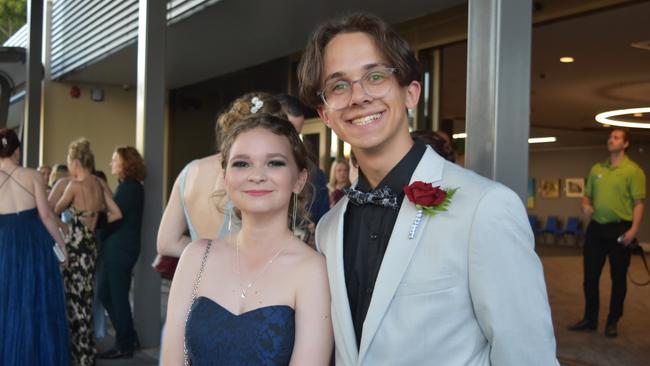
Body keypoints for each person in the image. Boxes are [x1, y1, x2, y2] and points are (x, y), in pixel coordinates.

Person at [298, 13, 558, 365]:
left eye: (375, 76)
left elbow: (529, 356)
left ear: (411, 93)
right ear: (325, 113)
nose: (358, 96)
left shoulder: (485, 207)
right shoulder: (330, 227)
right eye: (338, 86)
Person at [162, 114, 333, 365]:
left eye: (274, 163)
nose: (256, 175)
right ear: (225, 177)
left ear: (299, 179)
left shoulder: (312, 269)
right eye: (242, 164)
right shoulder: (197, 256)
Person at [157, 92, 287, 259]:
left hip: (202, 277)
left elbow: (166, 243)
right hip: (246, 278)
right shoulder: (251, 177)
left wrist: (209, 258)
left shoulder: (189, 171)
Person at [0, 128, 70, 365]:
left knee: (7, 305)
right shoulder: (33, 175)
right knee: (37, 304)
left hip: (4, 247)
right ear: (17, 149)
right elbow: (47, 217)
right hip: (34, 245)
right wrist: (62, 249)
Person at [568, 128, 645, 338]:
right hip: (596, 229)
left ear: (626, 144)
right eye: (610, 137)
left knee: (618, 279)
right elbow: (587, 196)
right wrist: (585, 205)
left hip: (621, 230)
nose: (611, 140)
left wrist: (633, 230)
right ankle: (590, 319)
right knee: (590, 277)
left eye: (617, 137)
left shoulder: (633, 171)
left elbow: (639, 204)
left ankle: (613, 321)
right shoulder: (596, 169)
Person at [55, 137, 122, 366]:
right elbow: (116, 214)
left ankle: (78, 356)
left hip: (75, 248)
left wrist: (70, 226)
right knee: (86, 300)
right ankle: (87, 355)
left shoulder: (74, 186)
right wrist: (93, 220)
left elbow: (53, 211)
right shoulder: (99, 183)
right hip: (91, 246)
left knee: (73, 302)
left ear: (74, 162)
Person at [97, 146, 146, 359]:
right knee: (108, 294)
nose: (111, 163)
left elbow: (113, 219)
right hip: (120, 249)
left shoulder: (129, 188)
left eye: (115, 159)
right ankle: (127, 337)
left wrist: (91, 220)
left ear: (126, 163)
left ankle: (124, 343)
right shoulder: (129, 187)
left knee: (115, 297)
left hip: (120, 250)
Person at [276, 93, 330, 225]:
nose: (291, 139)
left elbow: (322, 222)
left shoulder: (315, 175)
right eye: (285, 131)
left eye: (296, 134)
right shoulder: (242, 169)